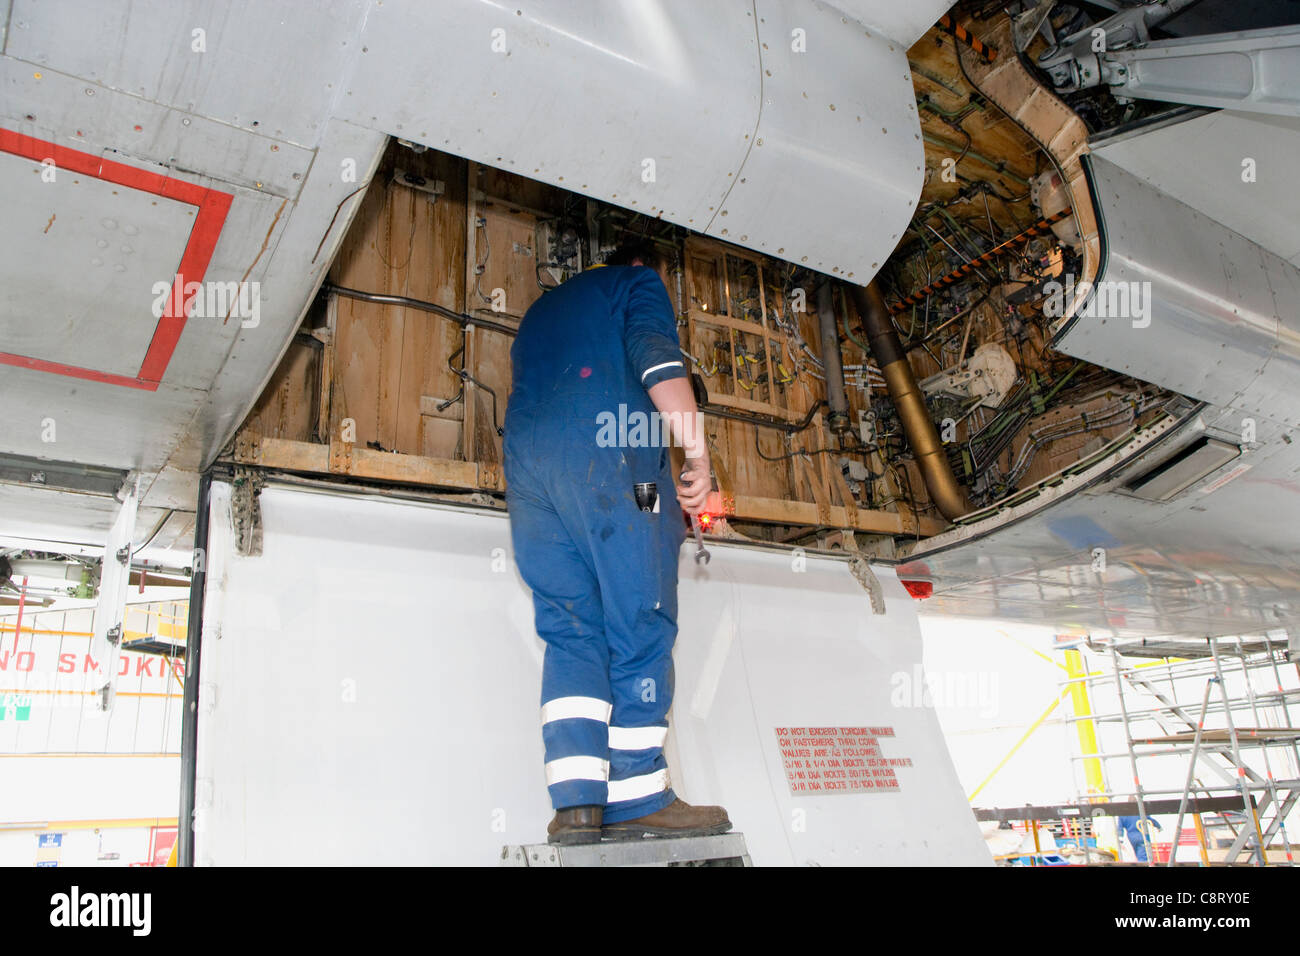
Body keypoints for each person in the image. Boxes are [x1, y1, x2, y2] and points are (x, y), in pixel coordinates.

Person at [503, 239, 732, 844]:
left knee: (570, 627)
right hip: (615, 461)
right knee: (643, 614)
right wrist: (698, 458)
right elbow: (658, 362)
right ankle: (636, 794)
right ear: (642, 267)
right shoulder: (636, 286)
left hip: (529, 474)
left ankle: (577, 803)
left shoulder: (537, 315)